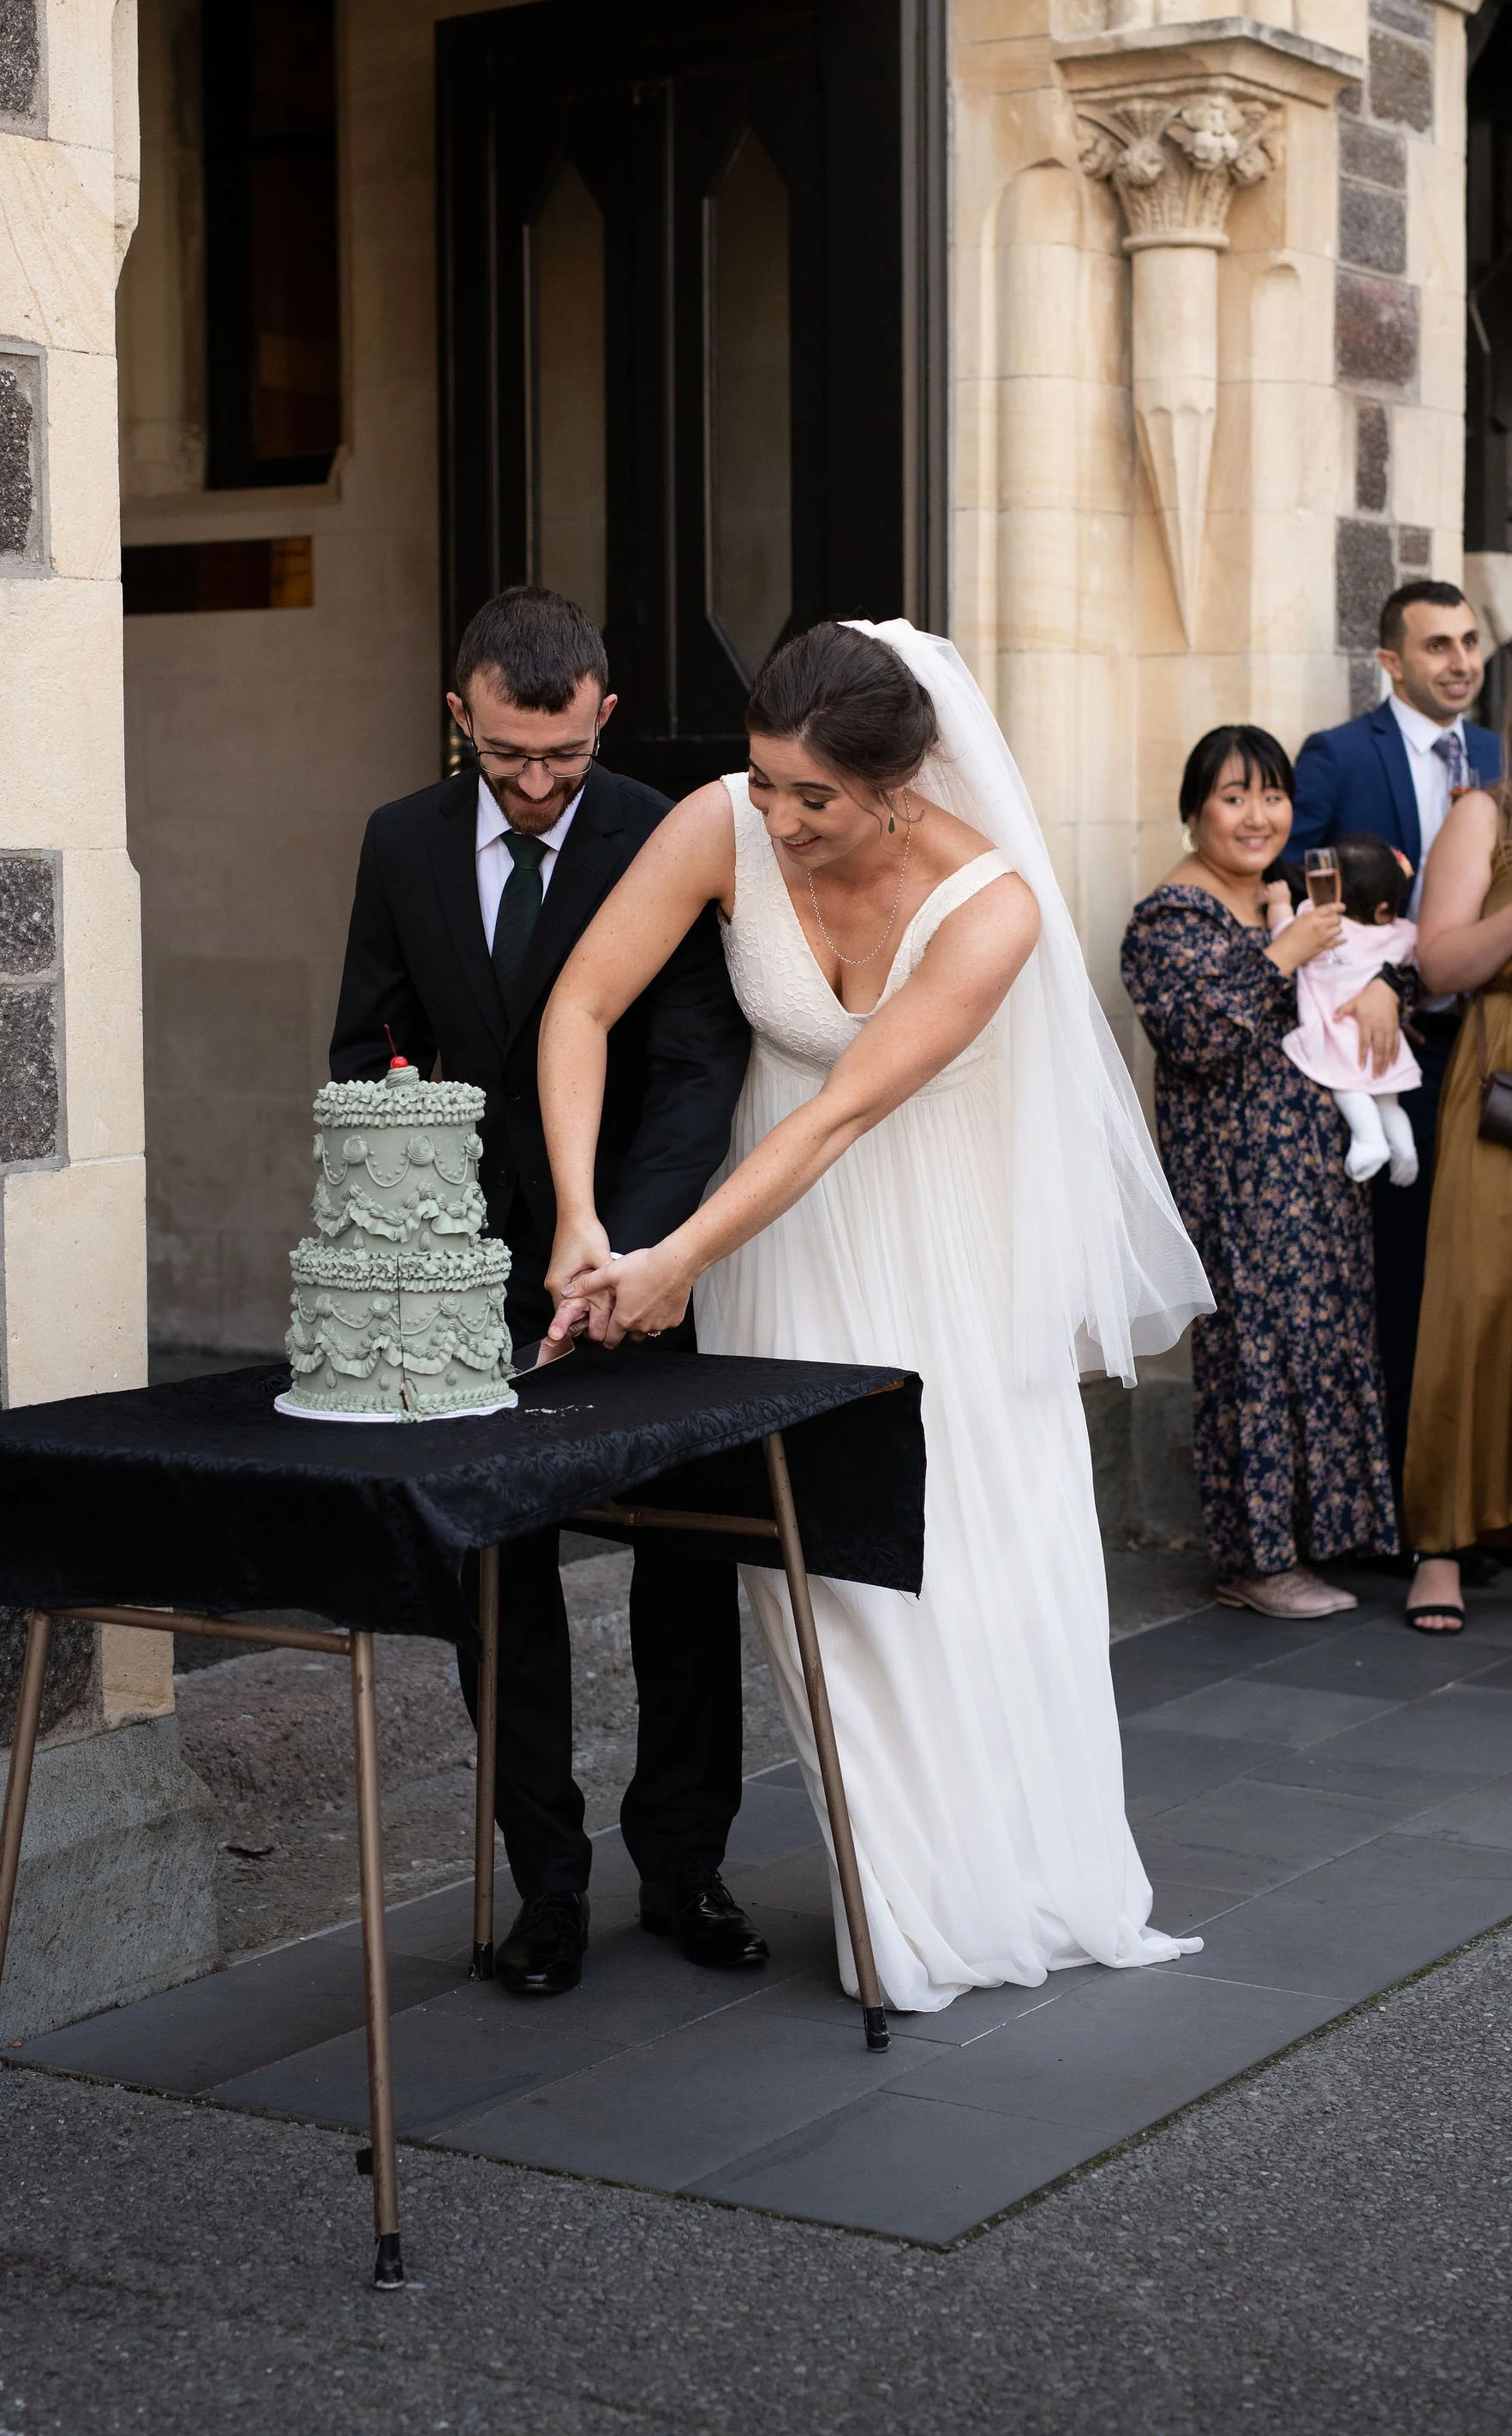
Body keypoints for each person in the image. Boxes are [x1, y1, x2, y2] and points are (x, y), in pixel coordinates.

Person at [537, 619, 1210, 2017]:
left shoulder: (994, 906)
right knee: (820, 1587)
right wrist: (579, 1217)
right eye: (761, 781)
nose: (775, 820)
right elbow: (579, 1004)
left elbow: (843, 1113)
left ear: (898, 787)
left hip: (943, 1265)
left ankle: (1012, 1873)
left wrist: (672, 1258)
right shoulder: (723, 823)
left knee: (970, 1565)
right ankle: (894, 1895)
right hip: (776, 1257)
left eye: (812, 798)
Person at [330, 585, 754, 1996]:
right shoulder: (398, 841)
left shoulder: (663, 826)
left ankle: (684, 1865)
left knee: (684, 1565)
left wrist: (632, 1253)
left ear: (601, 716)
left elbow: (697, 1058)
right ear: (461, 716)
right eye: (506, 754)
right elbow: (366, 1047)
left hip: (647, 1253)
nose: (533, 783)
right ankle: (549, 1888)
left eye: (561, 756)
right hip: (470, 1275)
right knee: (494, 1588)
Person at [1121, 727, 1403, 1615]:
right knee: (1251, 1360)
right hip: (1236, 1180)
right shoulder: (1169, 917)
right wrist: (1283, 955)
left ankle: (1318, 1540)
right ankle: (1255, 1561)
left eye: (1271, 795)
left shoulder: (1284, 901)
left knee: (1318, 1348)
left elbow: (1365, 994)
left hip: (1312, 1173)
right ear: (1192, 809)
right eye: (1233, 797)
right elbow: (1197, 1037)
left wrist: (1380, 983)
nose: (1256, 816)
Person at [1291, 582, 1503, 1497]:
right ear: (1389, 661)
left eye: (1468, 643)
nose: (1459, 663)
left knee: (1478, 1277)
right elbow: (1293, 878)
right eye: (1435, 647)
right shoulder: (1337, 757)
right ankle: (1399, 1509)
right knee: (1396, 1281)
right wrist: (1368, 975)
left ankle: (1473, 1495)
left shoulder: (1500, 756)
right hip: (1374, 1059)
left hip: (1487, 1045)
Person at [1400, 657, 1512, 1635]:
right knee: (1474, 1294)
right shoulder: (1484, 815)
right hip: (1502, 1077)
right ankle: (1438, 1545)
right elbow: (1438, 963)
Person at [1268, 833, 1420, 1187]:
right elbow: (1414, 966)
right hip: (1386, 1042)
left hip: (1341, 1035)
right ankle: (1405, 1149)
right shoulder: (1402, 935)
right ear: (1384, 910)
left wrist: (1277, 904)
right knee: (1388, 1104)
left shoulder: (1321, 925)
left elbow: (1283, 935)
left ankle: (1369, 1142)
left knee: (1347, 1090)